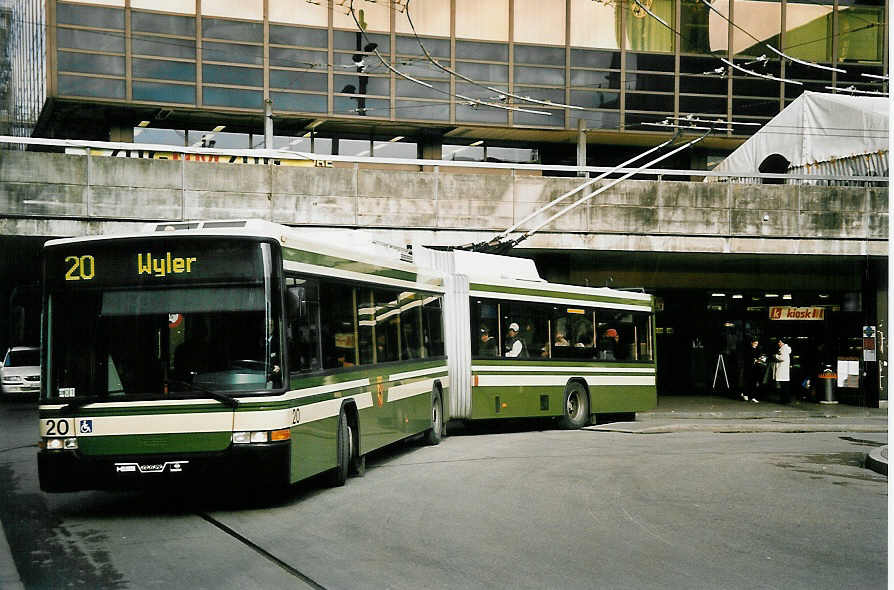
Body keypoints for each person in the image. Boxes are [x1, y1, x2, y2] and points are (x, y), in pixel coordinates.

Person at [742, 338, 764, 403]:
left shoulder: (758, 349)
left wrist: (761, 359)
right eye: (755, 343)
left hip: (756, 368)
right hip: (749, 368)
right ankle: (745, 394)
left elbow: (759, 356)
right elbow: (747, 358)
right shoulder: (747, 349)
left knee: (754, 382)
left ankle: (753, 397)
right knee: (747, 381)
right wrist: (755, 360)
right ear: (752, 343)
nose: (756, 345)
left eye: (757, 344)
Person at [773, 338, 792, 403]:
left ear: (783, 343)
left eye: (780, 342)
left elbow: (782, 358)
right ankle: (786, 399)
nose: (779, 343)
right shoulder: (786, 349)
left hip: (782, 368)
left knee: (783, 386)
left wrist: (776, 356)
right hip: (784, 369)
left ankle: (784, 399)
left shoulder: (784, 349)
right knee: (785, 385)